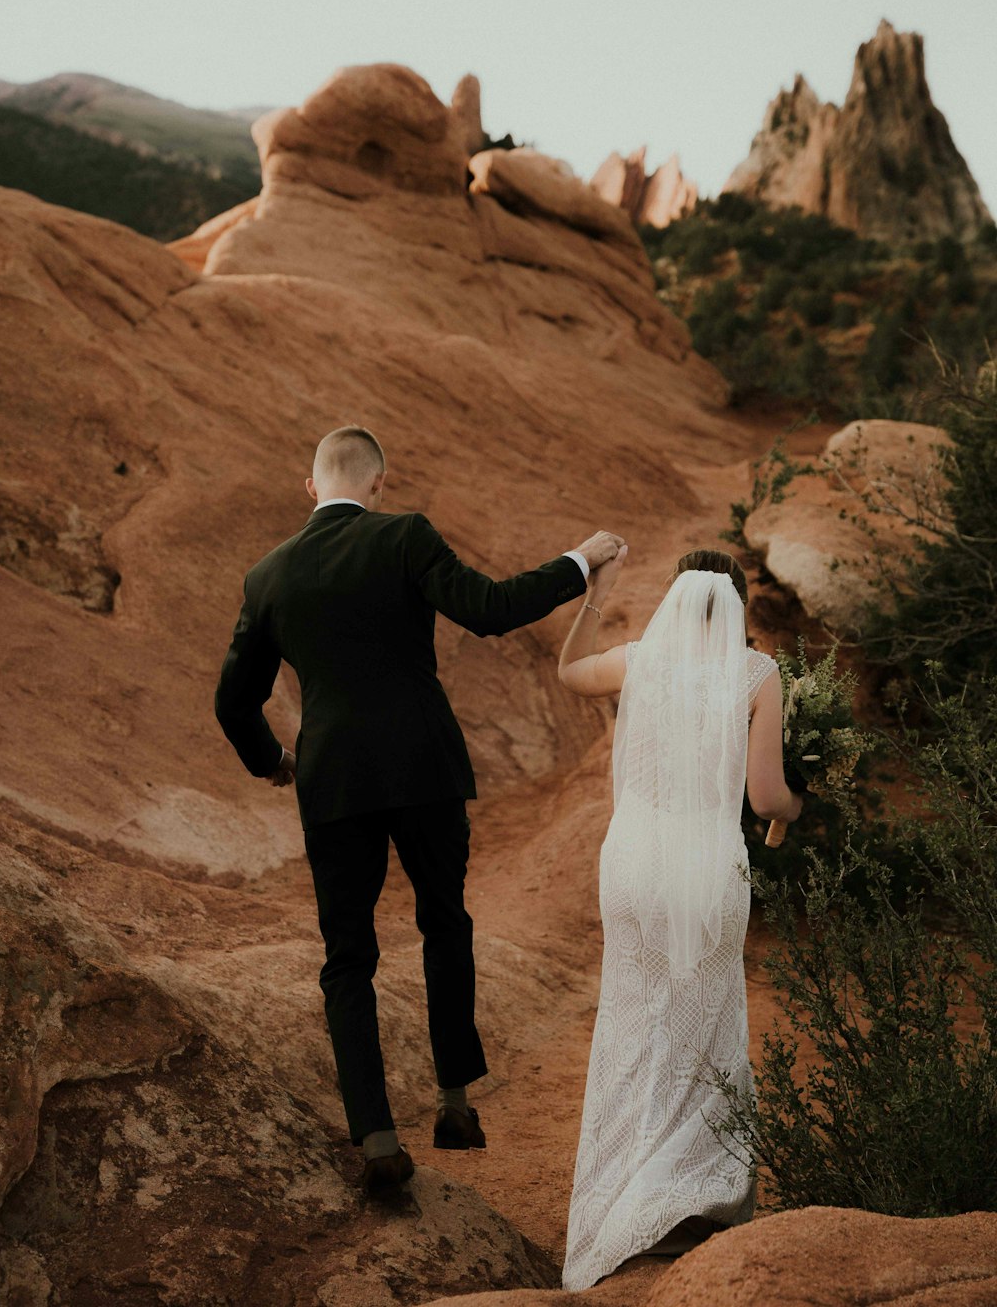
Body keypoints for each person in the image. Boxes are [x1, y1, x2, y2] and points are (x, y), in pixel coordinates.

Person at [214, 424, 625, 1194]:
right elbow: (493, 609)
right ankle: (455, 1102)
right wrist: (581, 561)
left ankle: (376, 1138)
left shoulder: (267, 575)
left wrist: (273, 764)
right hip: (425, 766)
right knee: (445, 920)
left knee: (348, 957)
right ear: (379, 483)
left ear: (310, 489)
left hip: (333, 779)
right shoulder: (404, 536)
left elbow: (233, 701)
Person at [558, 547, 802, 1290]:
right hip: (706, 864)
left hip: (632, 863)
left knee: (632, 1021)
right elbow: (764, 798)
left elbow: (569, 671)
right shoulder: (758, 675)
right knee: (707, 1021)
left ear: (675, 599)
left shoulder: (638, 661)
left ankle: (618, 1201)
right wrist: (796, 807)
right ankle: (692, 1201)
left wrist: (595, 596)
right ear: (736, 606)